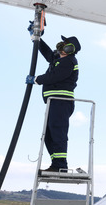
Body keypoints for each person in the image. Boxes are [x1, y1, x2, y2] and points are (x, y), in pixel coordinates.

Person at [26, 30, 81, 172]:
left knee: (58, 132)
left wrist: (37, 79)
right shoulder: (59, 59)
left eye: (65, 45)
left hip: (61, 101)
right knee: (49, 135)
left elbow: (56, 76)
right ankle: (56, 163)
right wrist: (36, 39)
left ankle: (60, 165)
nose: (61, 46)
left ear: (70, 49)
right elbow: (47, 53)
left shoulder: (69, 61)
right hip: (53, 102)